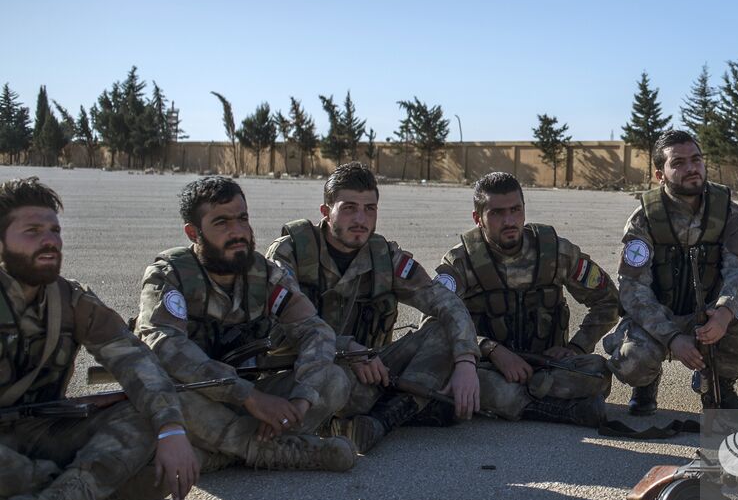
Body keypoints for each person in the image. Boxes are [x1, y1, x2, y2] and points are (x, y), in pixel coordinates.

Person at [0, 177, 199, 500]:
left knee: (146, 421)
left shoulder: (71, 300)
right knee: (144, 479)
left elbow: (135, 362)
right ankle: (80, 484)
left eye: (54, 230)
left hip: (44, 433)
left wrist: (171, 429)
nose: (50, 240)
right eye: (32, 231)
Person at [135, 177, 355, 472]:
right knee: (170, 398)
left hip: (247, 401)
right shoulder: (169, 276)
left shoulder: (265, 275)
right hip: (197, 399)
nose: (237, 232)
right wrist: (249, 397)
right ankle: (266, 450)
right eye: (221, 222)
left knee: (333, 380)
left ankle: (220, 454)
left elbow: (315, 331)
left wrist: (301, 401)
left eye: (242, 219)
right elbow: (164, 346)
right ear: (193, 232)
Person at [265, 163, 480, 453]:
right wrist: (345, 348)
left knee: (443, 330)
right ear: (326, 212)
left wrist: (466, 362)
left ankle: (383, 419)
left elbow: (445, 302)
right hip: (310, 372)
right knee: (339, 383)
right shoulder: (290, 252)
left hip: (374, 371)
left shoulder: (384, 256)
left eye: (370, 209)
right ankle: (385, 413)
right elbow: (275, 332)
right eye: (349, 208)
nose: (360, 219)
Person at [431, 172, 615, 426]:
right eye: (497, 213)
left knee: (598, 371)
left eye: (515, 210)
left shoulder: (554, 252)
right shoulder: (462, 262)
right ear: (478, 218)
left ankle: (517, 401)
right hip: (489, 368)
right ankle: (557, 408)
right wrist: (490, 349)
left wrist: (576, 348)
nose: (509, 221)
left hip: (548, 365)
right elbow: (432, 321)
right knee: (470, 380)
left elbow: (608, 300)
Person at [604, 130, 738, 413]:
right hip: (658, 315)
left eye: (696, 159)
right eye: (678, 163)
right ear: (660, 175)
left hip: (707, 315)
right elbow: (633, 290)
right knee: (632, 360)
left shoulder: (727, 211)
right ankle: (645, 385)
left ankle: (718, 384)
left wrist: (724, 313)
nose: (691, 168)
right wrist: (672, 338)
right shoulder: (644, 218)